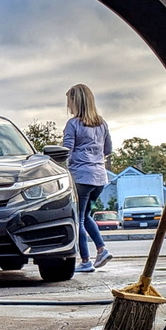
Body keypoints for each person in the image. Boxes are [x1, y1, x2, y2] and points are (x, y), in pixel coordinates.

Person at [62, 83, 113, 272]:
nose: (68, 107)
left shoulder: (73, 124)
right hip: (99, 178)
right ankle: (101, 249)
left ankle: (85, 261)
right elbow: (108, 150)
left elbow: (66, 150)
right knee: (86, 215)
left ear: (76, 101)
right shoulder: (102, 123)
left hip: (81, 178)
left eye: (69, 102)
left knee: (78, 220)